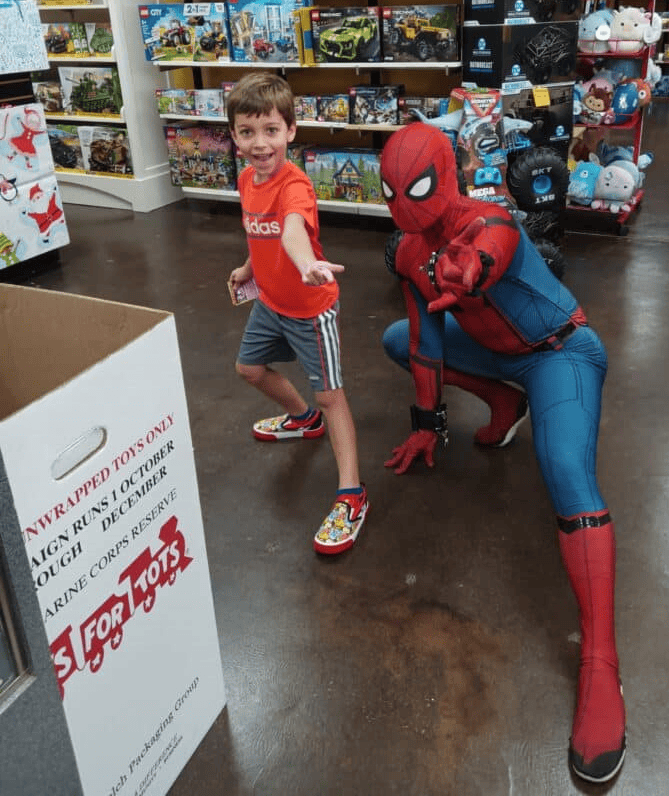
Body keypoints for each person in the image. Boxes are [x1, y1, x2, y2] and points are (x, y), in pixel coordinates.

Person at [379, 122, 625, 784]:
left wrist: (471, 268)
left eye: (417, 188)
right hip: (493, 349)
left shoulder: (489, 221)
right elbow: (427, 341)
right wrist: (426, 422)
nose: (404, 206)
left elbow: (492, 243)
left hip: (558, 353)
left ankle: (600, 663)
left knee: (566, 472)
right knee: (398, 336)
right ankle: (501, 402)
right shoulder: (410, 251)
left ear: (450, 171)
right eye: (391, 193)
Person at [226, 72, 368, 555]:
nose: (259, 143)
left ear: (290, 130)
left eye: (270, 130)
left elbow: (290, 231)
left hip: (310, 309)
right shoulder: (246, 178)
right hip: (269, 301)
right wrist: (248, 269)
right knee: (248, 368)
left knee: (332, 398)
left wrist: (307, 265)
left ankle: (351, 493)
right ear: (234, 135)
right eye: (247, 131)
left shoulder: (296, 185)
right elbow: (258, 231)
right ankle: (300, 418)